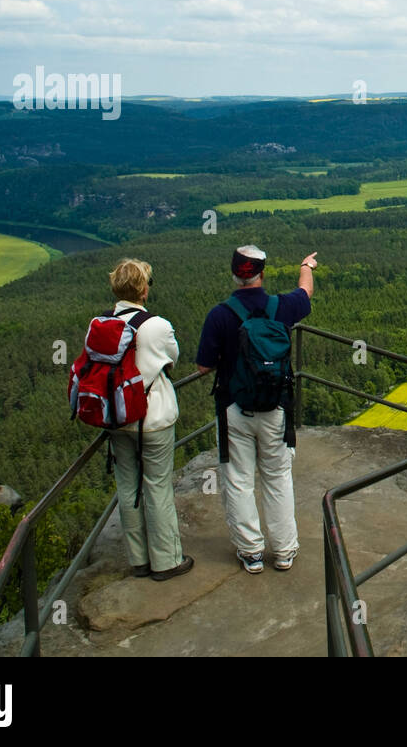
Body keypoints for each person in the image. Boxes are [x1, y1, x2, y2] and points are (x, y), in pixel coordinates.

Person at [196, 244, 316, 573]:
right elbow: (305, 292)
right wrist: (306, 265)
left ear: (234, 274)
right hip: (276, 408)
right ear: (262, 274)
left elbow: (204, 366)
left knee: (238, 480)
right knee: (278, 478)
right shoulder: (282, 307)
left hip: (234, 409)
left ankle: (251, 553)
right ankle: (285, 551)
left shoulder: (220, 314)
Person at [106, 258, 193, 581]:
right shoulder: (156, 325)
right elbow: (172, 358)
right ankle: (166, 561)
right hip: (153, 418)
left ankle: (138, 560)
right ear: (143, 289)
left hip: (116, 418)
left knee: (127, 487)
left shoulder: (99, 323)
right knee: (157, 487)